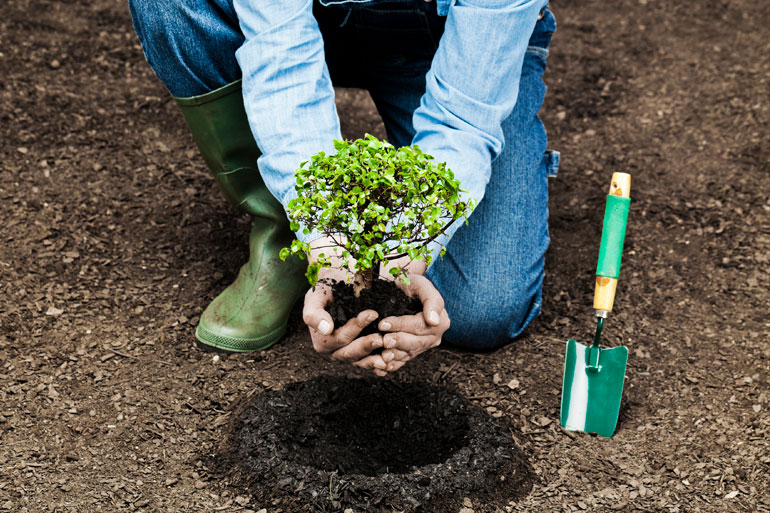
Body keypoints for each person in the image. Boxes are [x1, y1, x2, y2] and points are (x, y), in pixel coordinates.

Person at [128, 0, 558, 376]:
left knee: (481, 311)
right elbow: (282, 63)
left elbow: (462, 119)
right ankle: (283, 234)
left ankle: (369, 223)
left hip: (448, 40)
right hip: (314, 22)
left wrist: (407, 251)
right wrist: (325, 239)